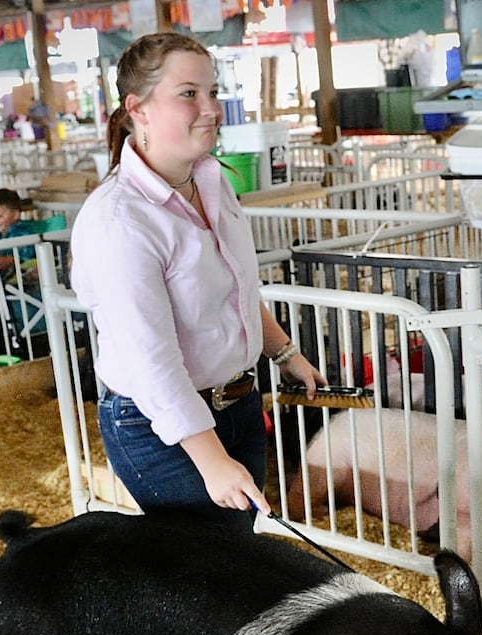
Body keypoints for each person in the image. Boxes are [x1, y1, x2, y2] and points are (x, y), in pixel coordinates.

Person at [69, 33, 323, 528]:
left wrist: (284, 353)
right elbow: (151, 361)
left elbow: (233, 290)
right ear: (137, 108)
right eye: (189, 94)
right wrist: (210, 461)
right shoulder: (119, 221)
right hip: (158, 425)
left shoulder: (212, 180)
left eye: (212, 92)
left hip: (237, 404)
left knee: (235, 551)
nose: (210, 109)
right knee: (215, 564)